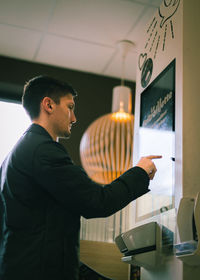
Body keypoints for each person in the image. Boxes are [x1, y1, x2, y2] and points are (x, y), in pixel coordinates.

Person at [0, 76, 161, 280]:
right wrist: (140, 171)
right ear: (48, 105)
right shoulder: (43, 151)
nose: (74, 118)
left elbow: (46, 237)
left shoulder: (15, 154)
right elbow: (97, 201)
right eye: (70, 107)